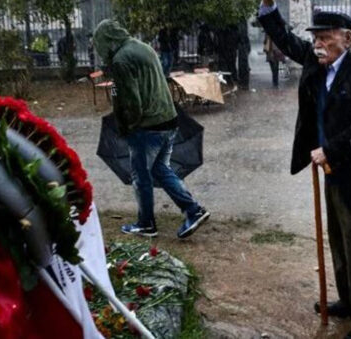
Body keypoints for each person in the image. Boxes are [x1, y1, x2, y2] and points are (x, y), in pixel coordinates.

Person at [255, 0, 351, 339]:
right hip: (332, 170)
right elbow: (287, 40)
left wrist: (332, 148)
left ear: (346, 38)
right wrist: (268, 1)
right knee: (340, 240)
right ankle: (350, 301)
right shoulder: (317, 61)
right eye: (316, 38)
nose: (318, 45)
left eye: (326, 38)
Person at [93, 19, 210, 238]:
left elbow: (130, 100)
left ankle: (146, 223)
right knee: (159, 169)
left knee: (141, 176)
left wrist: (127, 126)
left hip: (147, 126)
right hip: (169, 120)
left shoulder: (120, 60)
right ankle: (193, 210)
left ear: (107, 40)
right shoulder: (142, 47)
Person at [237, 20, 251, 89]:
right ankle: (244, 83)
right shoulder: (243, 23)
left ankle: (244, 84)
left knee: (243, 67)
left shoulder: (242, 23)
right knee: (243, 67)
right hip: (243, 48)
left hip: (243, 49)